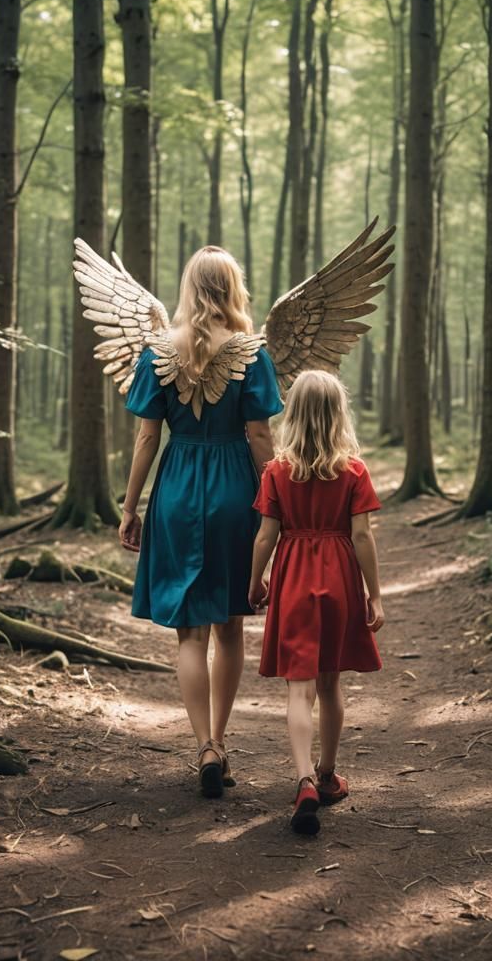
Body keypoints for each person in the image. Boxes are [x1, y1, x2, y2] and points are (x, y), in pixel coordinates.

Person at [120, 246, 283, 798]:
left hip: (177, 488)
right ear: (232, 287)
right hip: (236, 486)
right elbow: (261, 435)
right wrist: (276, 501)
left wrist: (130, 505)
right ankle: (221, 736)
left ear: (189, 287)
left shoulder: (157, 351)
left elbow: (147, 437)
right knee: (229, 626)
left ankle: (203, 747)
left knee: (189, 631)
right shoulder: (251, 352)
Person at [248, 370, 384, 835]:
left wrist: (255, 580)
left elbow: (266, 534)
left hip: (293, 580)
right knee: (331, 686)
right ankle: (328, 775)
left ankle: (303, 777)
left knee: (299, 688)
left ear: (295, 416)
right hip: (340, 578)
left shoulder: (276, 472)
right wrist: (374, 593)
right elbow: (363, 535)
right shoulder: (354, 471)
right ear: (337, 416)